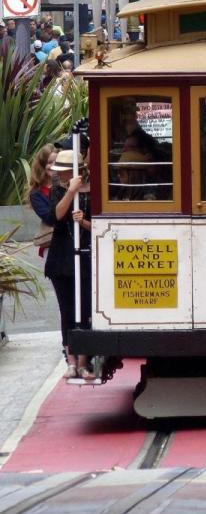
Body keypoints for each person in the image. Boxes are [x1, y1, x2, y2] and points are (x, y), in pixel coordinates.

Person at [45, 148, 93, 379]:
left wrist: (83, 222)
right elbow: (56, 216)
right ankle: (71, 361)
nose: (60, 175)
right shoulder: (57, 190)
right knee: (67, 310)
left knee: (85, 309)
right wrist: (71, 190)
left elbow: (100, 225)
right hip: (61, 258)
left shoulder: (93, 191)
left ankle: (83, 361)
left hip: (86, 256)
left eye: (64, 171)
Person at [24, 144, 57, 257]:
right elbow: (50, 218)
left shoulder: (71, 184)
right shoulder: (36, 194)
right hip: (52, 246)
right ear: (42, 165)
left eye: (57, 162)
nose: (53, 166)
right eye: (49, 162)